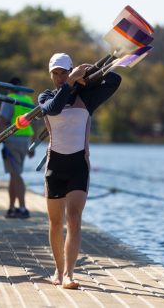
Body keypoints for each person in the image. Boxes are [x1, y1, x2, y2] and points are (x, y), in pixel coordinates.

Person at [38, 53, 121, 289]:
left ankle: (69, 275)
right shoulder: (45, 97)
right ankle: (57, 269)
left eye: (64, 72)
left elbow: (115, 81)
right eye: (56, 73)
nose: (60, 77)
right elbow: (53, 109)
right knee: (55, 223)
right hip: (55, 166)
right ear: (51, 74)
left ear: (71, 70)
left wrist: (92, 73)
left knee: (73, 220)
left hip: (78, 166)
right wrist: (72, 82)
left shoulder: (88, 98)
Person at [0, 77, 35, 219]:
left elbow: (2, 120)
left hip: (12, 140)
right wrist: (32, 145)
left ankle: (23, 208)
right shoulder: (28, 100)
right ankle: (11, 208)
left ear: (9, 87)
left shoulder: (9, 98)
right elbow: (33, 123)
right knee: (13, 174)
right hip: (25, 141)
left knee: (16, 175)